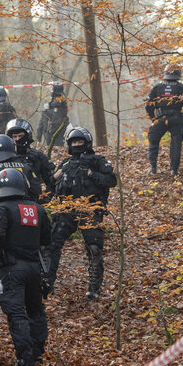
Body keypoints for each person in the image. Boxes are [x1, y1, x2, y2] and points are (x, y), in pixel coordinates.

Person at [0, 169, 51, 366]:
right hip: (34, 267)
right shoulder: (37, 209)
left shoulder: (1, 210)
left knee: (16, 312)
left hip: (12, 268)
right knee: (36, 310)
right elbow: (46, 240)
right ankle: (38, 352)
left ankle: (25, 358)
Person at [46, 127, 117, 300]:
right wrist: (59, 174)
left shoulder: (98, 161)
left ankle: (94, 290)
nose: (77, 145)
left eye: (80, 141)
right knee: (51, 244)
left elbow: (111, 180)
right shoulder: (65, 163)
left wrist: (92, 174)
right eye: (74, 142)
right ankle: (47, 284)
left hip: (90, 211)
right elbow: (50, 185)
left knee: (94, 248)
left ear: (87, 143)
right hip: (66, 212)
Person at [146, 67, 183, 175]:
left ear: (165, 74)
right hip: (176, 118)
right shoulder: (182, 88)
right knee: (176, 143)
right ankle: (173, 170)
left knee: (153, 140)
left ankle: (153, 168)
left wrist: (153, 118)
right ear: (178, 75)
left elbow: (149, 105)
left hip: (161, 117)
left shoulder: (157, 87)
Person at [6, 119, 55, 201]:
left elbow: (51, 181)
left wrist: (45, 199)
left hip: (32, 201)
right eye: (14, 137)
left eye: (20, 136)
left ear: (27, 136)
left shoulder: (38, 156)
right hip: (8, 200)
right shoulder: (4, 157)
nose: (17, 139)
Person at [37, 82, 70, 147]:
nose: (51, 91)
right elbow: (42, 121)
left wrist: (49, 107)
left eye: (52, 89)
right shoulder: (51, 104)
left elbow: (56, 122)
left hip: (57, 135)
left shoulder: (61, 102)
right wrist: (39, 138)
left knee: (58, 149)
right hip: (48, 134)